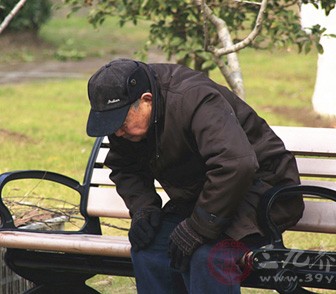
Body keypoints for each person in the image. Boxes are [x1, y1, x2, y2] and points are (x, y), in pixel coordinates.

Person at [85, 58, 304, 293]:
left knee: (206, 256)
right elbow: (124, 166)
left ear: (146, 100)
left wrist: (198, 228)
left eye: (121, 121)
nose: (117, 131)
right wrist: (143, 209)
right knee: (148, 249)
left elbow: (236, 165)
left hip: (263, 193)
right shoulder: (130, 124)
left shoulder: (194, 98)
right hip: (208, 196)